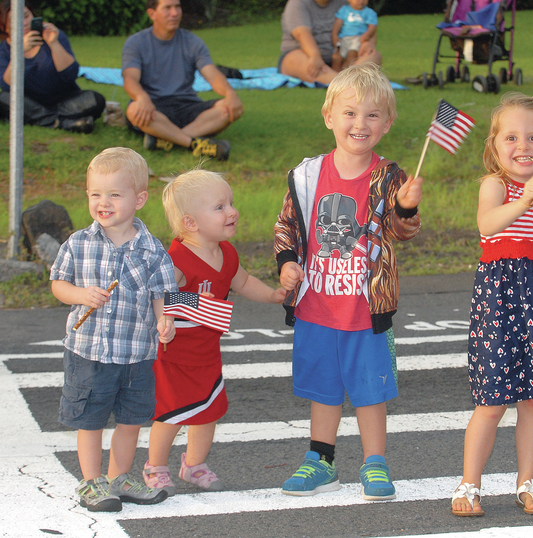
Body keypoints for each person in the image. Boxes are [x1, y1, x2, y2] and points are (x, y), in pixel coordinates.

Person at [274, 64, 423, 501]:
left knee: (369, 388)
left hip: (364, 309)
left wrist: (407, 209)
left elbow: (400, 232)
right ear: (329, 116)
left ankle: (374, 462)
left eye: (373, 115)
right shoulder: (307, 174)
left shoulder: (390, 178)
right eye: (351, 113)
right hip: (316, 305)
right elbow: (287, 225)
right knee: (322, 387)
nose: (361, 124)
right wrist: (286, 263)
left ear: (388, 123)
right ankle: (320, 460)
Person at [451, 93, 533, 517]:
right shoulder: (497, 185)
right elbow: (487, 225)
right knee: (492, 400)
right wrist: (524, 198)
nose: (522, 146)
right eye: (511, 137)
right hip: (501, 296)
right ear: (494, 145)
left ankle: (528, 481)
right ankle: (469, 485)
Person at [142, 170, 286, 496]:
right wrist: (186, 302)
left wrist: (272, 294)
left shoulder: (227, 253)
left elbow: (244, 282)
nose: (232, 211)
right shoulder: (176, 260)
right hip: (174, 354)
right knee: (172, 413)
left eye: (230, 203)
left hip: (207, 353)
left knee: (208, 410)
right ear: (191, 223)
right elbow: (155, 295)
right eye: (220, 207)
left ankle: (193, 464)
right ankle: (155, 466)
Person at [50, 147, 178, 513]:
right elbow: (58, 284)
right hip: (87, 351)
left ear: (139, 199)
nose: (102, 202)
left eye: (114, 195)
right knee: (89, 419)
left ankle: (119, 477)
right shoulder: (79, 243)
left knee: (130, 420)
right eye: (95, 194)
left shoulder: (152, 249)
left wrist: (164, 319)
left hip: (136, 353)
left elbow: (163, 293)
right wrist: (80, 294)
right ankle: (92, 482)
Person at [122, 0, 243, 160]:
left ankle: (167, 139)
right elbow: (130, 78)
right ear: (152, 14)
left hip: (187, 105)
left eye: (177, 7)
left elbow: (212, 74)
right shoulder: (136, 43)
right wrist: (142, 97)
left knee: (229, 108)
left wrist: (230, 93)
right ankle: (193, 143)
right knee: (134, 109)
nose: (175, 13)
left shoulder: (192, 41)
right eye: (168, 8)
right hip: (155, 108)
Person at [0, 0, 105, 133]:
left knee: (96, 99)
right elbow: (6, 86)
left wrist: (53, 43)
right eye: (15, 20)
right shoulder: (4, 50)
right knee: (4, 98)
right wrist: (19, 52)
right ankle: (63, 123)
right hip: (30, 103)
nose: (24, 23)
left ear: (33, 15)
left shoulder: (54, 35)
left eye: (26, 16)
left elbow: (70, 74)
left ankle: (45, 119)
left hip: (65, 100)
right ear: (5, 27)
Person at [278, 0, 381, 85]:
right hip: (305, 54)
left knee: (373, 55)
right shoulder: (298, 3)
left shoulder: (344, 3)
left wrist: (369, 43)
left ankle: (347, 81)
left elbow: (367, 28)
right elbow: (302, 34)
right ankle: (346, 83)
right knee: (296, 59)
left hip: (339, 57)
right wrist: (315, 55)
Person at [331, 0, 378, 72]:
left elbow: (372, 26)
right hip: (344, 38)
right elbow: (338, 24)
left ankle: (347, 74)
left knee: (352, 55)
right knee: (337, 57)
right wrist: (335, 35)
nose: (361, 1)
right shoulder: (344, 10)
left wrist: (367, 35)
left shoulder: (369, 12)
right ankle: (334, 77)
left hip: (358, 38)